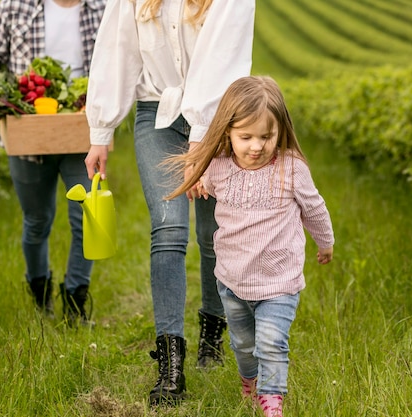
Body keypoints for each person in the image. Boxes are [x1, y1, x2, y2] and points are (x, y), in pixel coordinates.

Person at [84, 0, 255, 405]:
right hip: (156, 116)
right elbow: (117, 47)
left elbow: (223, 56)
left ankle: (212, 334)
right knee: (168, 229)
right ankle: (170, 366)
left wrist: (201, 134)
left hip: (218, 120)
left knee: (213, 234)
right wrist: (101, 129)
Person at [164, 76, 335, 417]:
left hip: (278, 283)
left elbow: (314, 208)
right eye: (246, 137)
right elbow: (202, 179)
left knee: (271, 344)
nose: (256, 146)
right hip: (232, 282)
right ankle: (250, 381)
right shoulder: (220, 167)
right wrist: (196, 179)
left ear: (280, 132)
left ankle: (272, 402)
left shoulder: (291, 169)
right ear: (227, 132)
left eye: (266, 136)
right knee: (243, 345)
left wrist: (325, 242)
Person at [0, 0, 106, 326]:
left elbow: (118, 62)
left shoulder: (101, 8)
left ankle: (75, 303)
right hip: (28, 131)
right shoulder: (15, 6)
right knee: (37, 220)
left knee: (87, 219)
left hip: (80, 131)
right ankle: (40, 295)